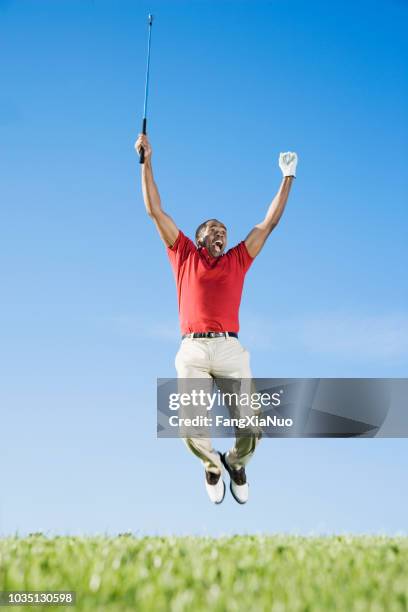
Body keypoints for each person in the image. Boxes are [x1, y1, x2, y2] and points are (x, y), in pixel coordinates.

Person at [135, 133, 297, 504]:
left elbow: (268, 224)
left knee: (253, 424)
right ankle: (210, 466)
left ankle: (236, 462)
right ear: (199, 236)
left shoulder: (238, 259)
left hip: (229, 347)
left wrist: (287, 177)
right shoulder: (183, 254)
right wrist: (147, 161)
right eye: (213, 228)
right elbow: (154, 210)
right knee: (190, 430)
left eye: (224, 230)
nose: (221, 232)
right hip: (192, 349)